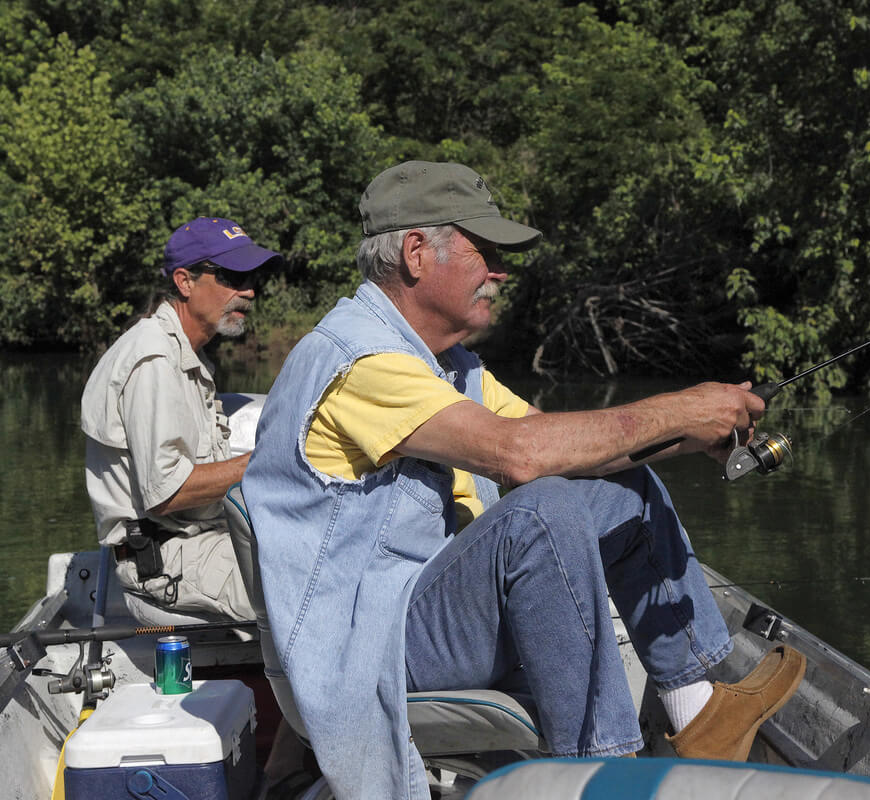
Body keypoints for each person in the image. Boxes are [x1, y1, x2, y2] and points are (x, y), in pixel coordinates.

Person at [242, 162, 806, 799]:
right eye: (486, 253)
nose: (501, 273)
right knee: (542, 512)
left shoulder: (446, 366)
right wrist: (680, 407)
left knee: (617, 487)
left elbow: (565, 445)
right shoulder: (360, 360)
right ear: (417, 252)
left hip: (419, 614)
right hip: (367, 645)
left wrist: (690, 434)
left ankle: (698, 710)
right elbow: (520, 456)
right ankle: (604, 776)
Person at [81, 216, 282, 623]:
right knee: (311, 582)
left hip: (200, 539)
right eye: (231, 276)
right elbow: (166, 494)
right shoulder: (153, 360)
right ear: (185, 282)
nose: (249, 291)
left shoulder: (186, 354)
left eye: (251, 276)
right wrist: (266, 463)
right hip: (165, 560)